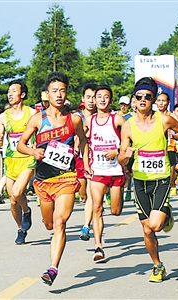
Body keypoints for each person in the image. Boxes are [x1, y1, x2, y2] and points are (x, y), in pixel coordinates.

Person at [118, 77, 178, 282]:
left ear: (153, 100)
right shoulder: (127, 126)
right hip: (140, 181)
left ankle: (165, 212)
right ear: (134, 99)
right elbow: (121, 157)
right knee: (147, 229)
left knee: (156, 225)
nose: (143, 100)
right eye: (139, 96)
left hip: (161, 179)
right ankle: (157, 265)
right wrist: (125, 156)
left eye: (148, 97)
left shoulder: (164, 120)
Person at [17, 71, 86, 286]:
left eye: (62, 91)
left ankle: (53, 268)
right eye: (54, 91)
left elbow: (83, 140)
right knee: (48, 224)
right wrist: (32, 152)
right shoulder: (38, 119)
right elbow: (20, 144)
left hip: (66, 176)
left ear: (66, 93)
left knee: (60, 222)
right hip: (43, 180)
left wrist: (84, 159)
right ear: (47, 94)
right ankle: (46, 227)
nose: (59, 95)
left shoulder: (74, 119)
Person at [83, 84, 126, 262]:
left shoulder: (118, 119)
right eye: (98, 96)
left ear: (111, 100)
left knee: (115, 211)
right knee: (96, 208)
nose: (101, 99)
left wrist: (117, 151)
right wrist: (86, 164)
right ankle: (98, 246)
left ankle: (114, 199)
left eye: (105, 97)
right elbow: (83, 142)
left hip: (116, 171)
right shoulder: (89, 121)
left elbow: (130, 141)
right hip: (97, 171)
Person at [0, 79, 36, 244]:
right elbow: (0, 136)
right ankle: (21, 229)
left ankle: (26, 210)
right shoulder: (3, 117)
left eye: (14, 91)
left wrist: (36, 144)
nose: (10, 94)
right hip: (11, 160)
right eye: (9, 91)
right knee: (12, 200)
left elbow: (41, 132)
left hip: (27, 159)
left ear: (23, 94)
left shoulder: (32, 114)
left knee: (18, 192)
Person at [75, 83, 97, 241]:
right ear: (83, 98)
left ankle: (86, 226)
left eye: (94, 97)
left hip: (94, 160)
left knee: (91, 195)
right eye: (88, 97)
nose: (91, 101)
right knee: (83, 194)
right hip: (78, 159)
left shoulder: (102, 117)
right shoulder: (76, 117)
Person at [0, 102, 12, 204]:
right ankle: (15, 194)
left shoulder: (2, 120)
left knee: (6, 173)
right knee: (14, 174)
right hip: (15, 151)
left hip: (5, 151)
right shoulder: (13, 120)